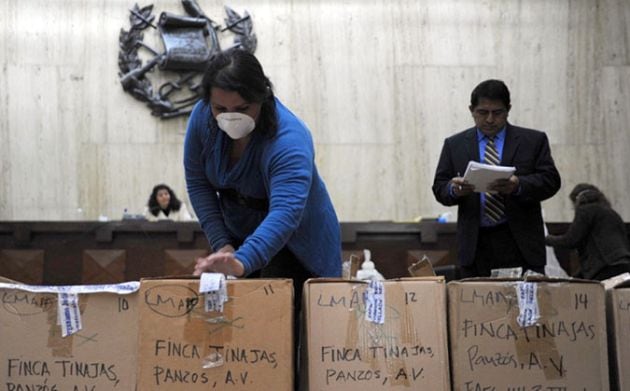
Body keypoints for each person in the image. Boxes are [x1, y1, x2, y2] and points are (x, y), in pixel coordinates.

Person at [184, 49, 342, 294]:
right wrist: (223, 245)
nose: (230, 117)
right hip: (237, 232)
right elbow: (198, 183)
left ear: (262, 97)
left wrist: (242, 261)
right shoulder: (201, 117)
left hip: (296, 241)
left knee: (280, 316)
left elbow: (285, 212)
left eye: (243, 108)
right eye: (219, 108)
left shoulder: (290, 139)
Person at [432, 79, 561, 278]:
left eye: (497, 112)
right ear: (471, 110)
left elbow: (551, 181)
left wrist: (518, 185)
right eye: (483, 112)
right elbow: (439, 187)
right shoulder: (454, 144)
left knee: (525, 307)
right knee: (475, 306)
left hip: (521, 243)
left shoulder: (532, 141)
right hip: (476, 245)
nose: (490, 119)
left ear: (508, 109)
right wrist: (453, 190)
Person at [545, 183, 630, 281]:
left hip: (605, 268)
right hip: (624, 265)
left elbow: (570, 240)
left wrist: (546, 239)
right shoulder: (612, 214)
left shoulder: (585, 210)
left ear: (577, 200)